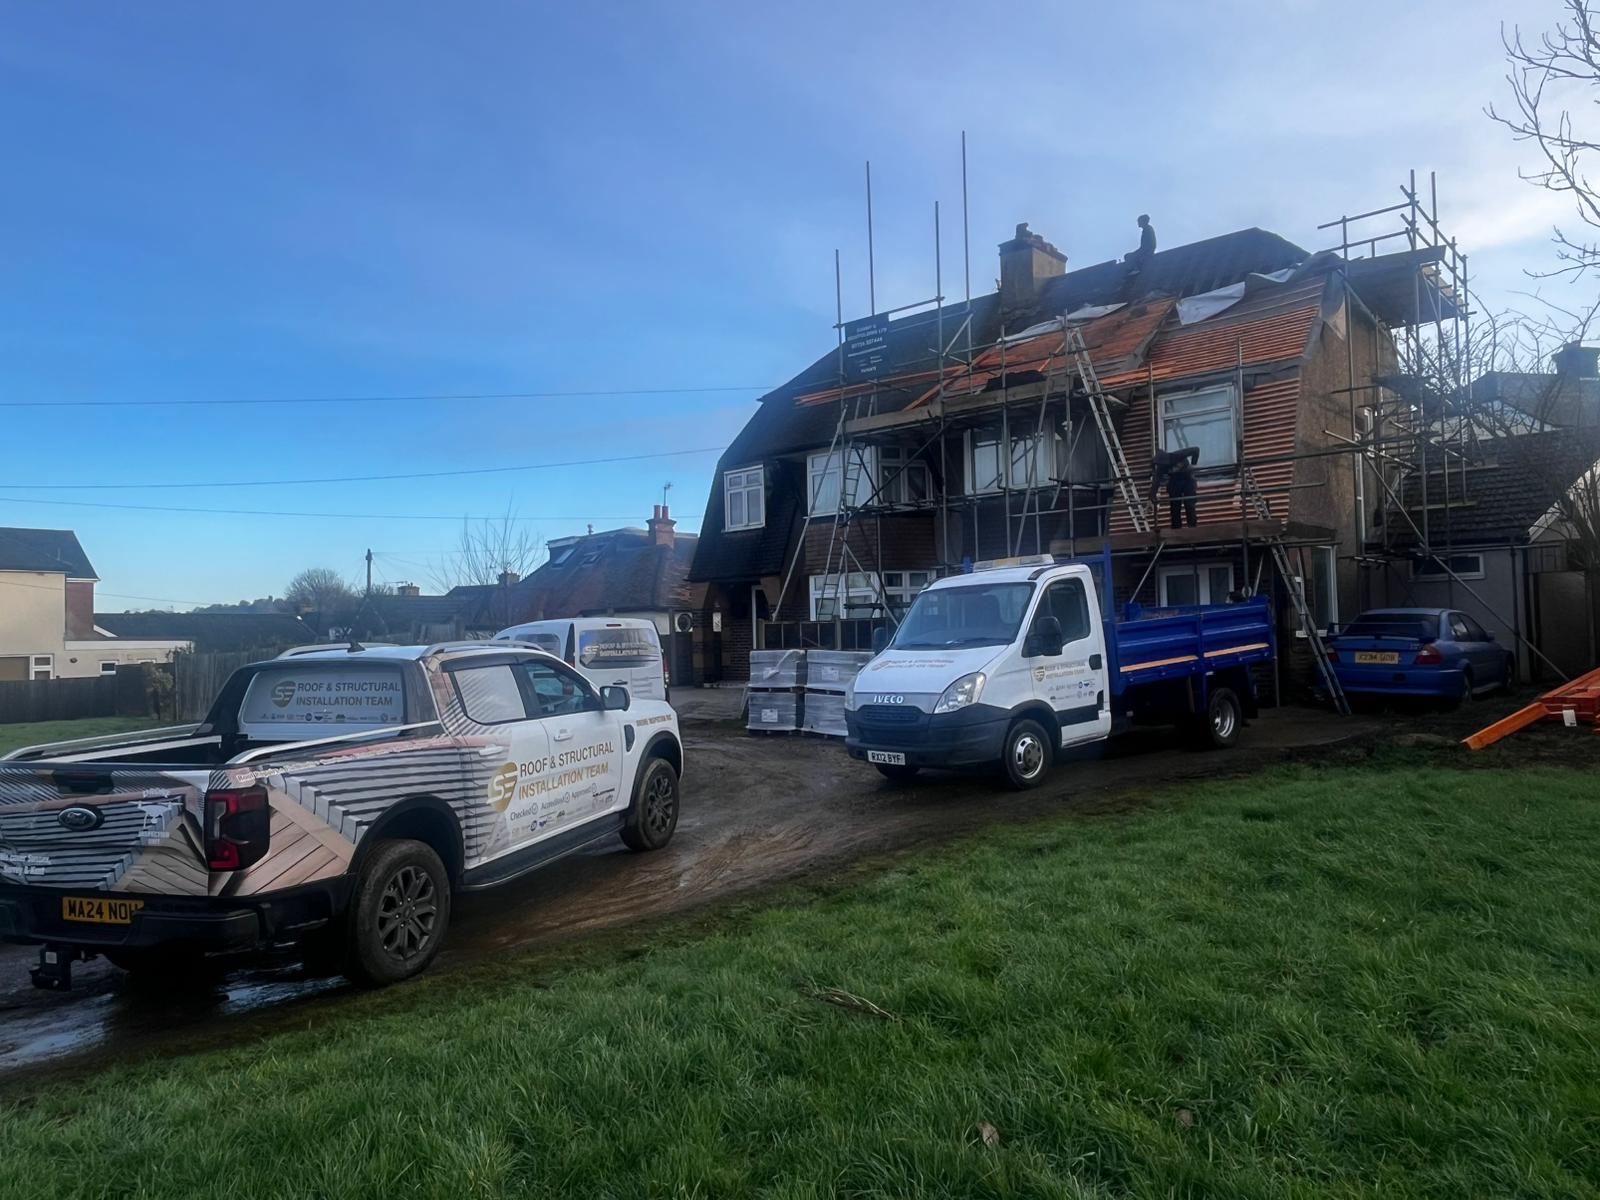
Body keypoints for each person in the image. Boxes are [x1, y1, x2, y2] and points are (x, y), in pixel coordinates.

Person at [1150, 445, 1200, 529]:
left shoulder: (1177, 455)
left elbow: (1196, 450)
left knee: (1190, 504)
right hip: (1175, 481)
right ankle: (1176, 528)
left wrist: (1193, 464)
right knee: (1175, 506)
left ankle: (1192, 527)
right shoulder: (1161, 467)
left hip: (1187, 478)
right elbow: (1156, 482)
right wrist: (1151, 496)